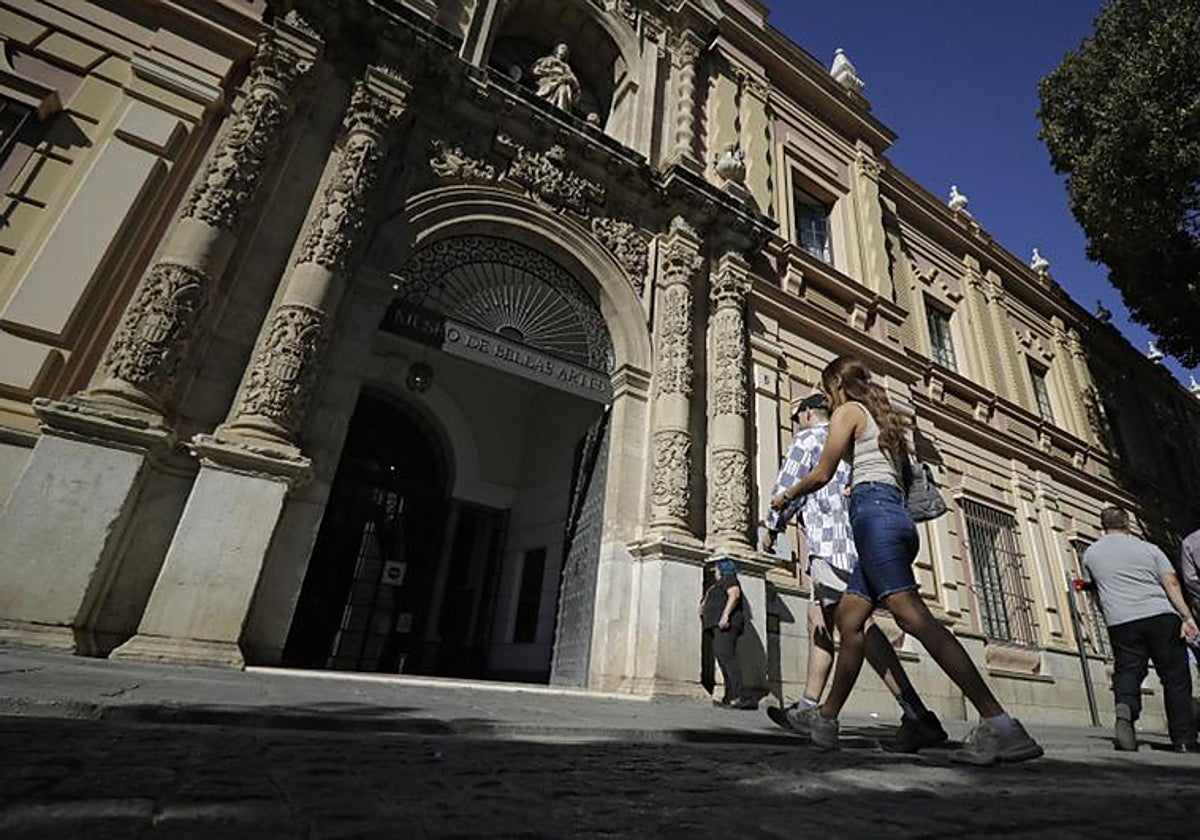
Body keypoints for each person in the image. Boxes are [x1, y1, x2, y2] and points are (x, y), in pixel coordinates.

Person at [769, 355, 1042, 765]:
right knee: (849, 620)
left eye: (828, 391)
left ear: (837, 386)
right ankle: (825, 721)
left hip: (875, 522)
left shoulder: (847, 411)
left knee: (913, 617)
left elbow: (823, 472)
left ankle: (1001, 724)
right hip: (890, 519)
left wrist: (786, 496)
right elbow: (880, 475)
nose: (828, 399)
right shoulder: (886, 423)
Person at [763, 392, 947, 752]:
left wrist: (771, 526)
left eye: (793, 416)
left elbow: (791, 486)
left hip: (833, 546)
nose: (793, 422)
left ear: (804, 415)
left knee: (858, 625)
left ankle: (915, 713)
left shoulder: (811, 438)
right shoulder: (852, 436)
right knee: (820, 617)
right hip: (860, 538)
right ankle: (808, 708)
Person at [1077, 508, 1199, 752]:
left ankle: (1126, 708)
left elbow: (1093, 589)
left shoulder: (1090, 554)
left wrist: (1108, 612)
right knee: (1175, 678)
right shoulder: (1149, 549)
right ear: (1128, 524)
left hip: (1120, 621)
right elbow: (1171, 583)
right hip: (1160, 616)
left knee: (1128, 671)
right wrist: (1187, 616)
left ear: (1103, 526)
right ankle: (1183, 739)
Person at [699, 557, 754, 709]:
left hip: (726, 625)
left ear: (723, 569)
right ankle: (729, 697)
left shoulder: (729, 579)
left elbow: (734, 595)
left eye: (716, 569)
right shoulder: (718, 584)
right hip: (716, 626)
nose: (714, 572)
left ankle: (739, 696)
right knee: (723, 659)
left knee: (727, 658)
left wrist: (725, 615)